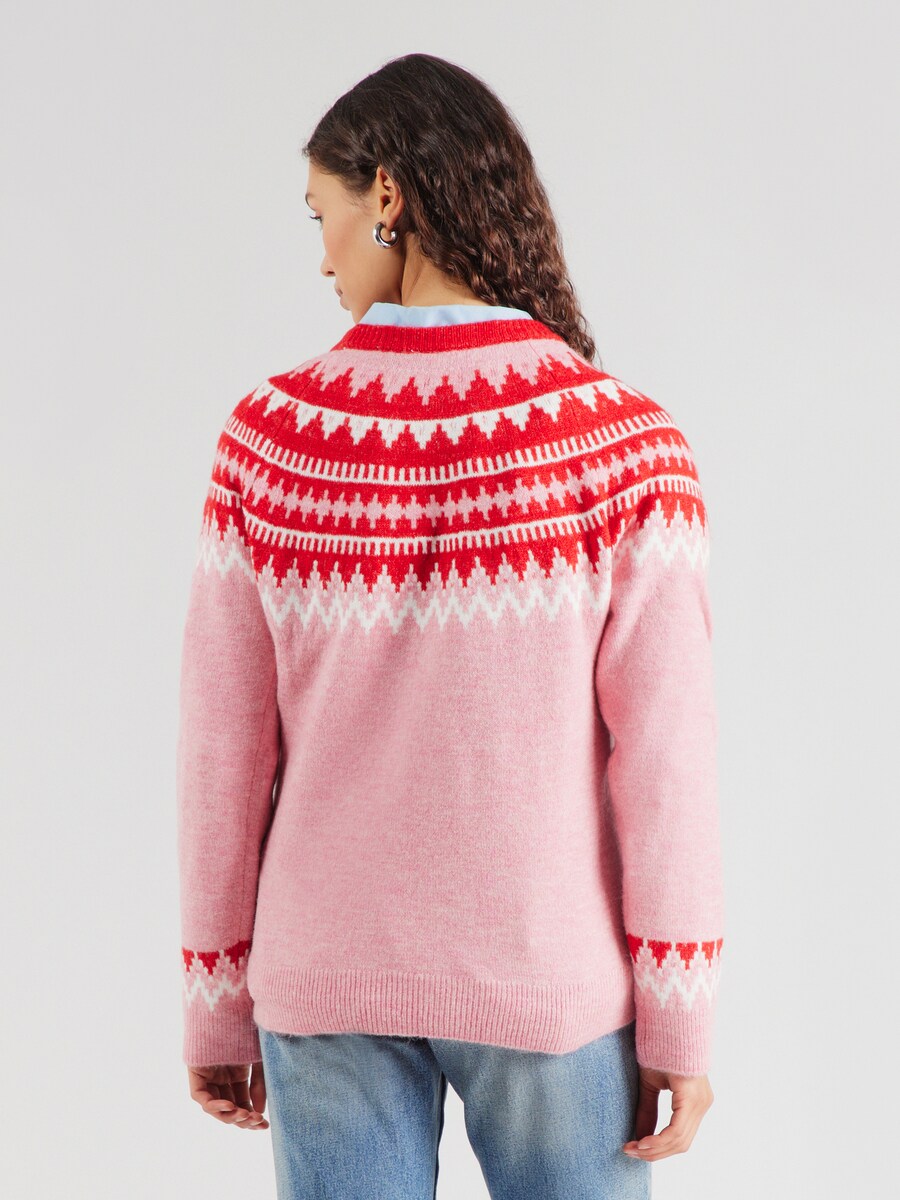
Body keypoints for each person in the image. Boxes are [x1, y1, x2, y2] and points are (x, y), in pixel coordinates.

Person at [176, 52, 725, 1199]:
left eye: (321, 214)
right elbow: (667, 759)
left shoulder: (265, 441)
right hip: (548, 979)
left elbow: (222, 756)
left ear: (387, 193)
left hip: (324, 981)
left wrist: (216, 998)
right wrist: (679, 1011)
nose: (321, 254)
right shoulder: (628, 446)